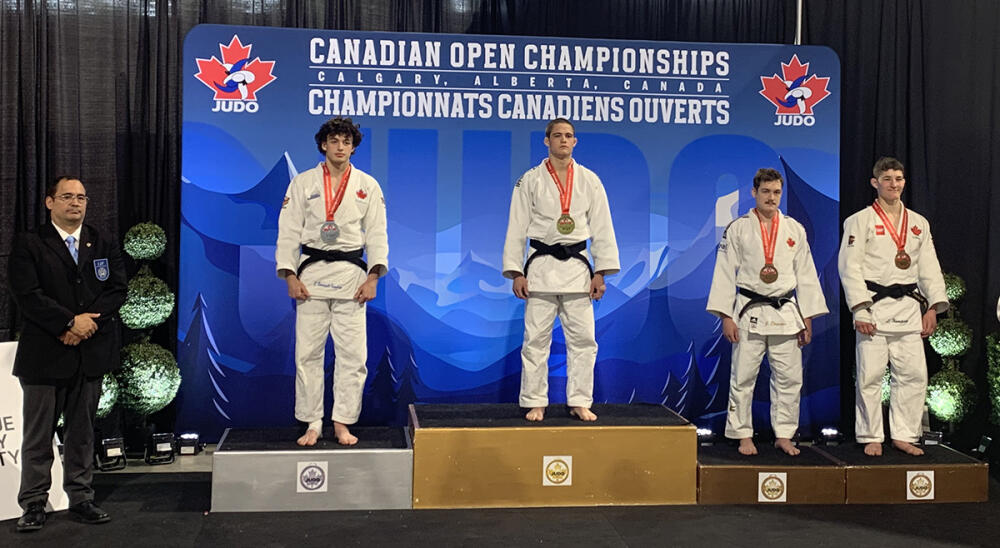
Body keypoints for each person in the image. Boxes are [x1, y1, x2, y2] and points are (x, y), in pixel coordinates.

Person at [8, 176, 127, 532]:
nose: (76, 203)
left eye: (81, 197)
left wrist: (87, 324)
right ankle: (33, 503)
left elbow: (117, 289)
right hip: (45, 354)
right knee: (38, 436)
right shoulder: (30, 243)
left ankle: (81, 498)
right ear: (50, 202)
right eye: (67, 197)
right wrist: (68, 322)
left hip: (89, 353)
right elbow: (26, 294)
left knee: (82, 433)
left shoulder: (102, 240)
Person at [276, 117, 388, 446]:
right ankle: (312, 421)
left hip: (352, 277)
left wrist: (373, 277)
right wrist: (290, 274)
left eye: (346, 142)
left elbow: (378, 234)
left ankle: (342, 422)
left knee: (353, 356)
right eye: (334, 141)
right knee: (308, 354)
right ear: (323, 144)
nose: (340, 147)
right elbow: (288, 231)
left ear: (353, 148)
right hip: (311, 276)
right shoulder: (303, 183)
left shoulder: (367, 184)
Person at [502, 118, 620, 422]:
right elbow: (516, 226)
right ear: (547, 141)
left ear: (575, 142)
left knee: (584, 341)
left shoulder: (590, 180)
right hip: (540, 268)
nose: (563, 140)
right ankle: (535, 401)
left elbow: (602, 227)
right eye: (557, 135)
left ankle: (580, 401)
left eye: (568, 135)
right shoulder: (529, 180)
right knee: (535, 341)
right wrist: (516, 271)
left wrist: (601, 272)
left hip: (578, 270)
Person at [707, 168, 828, 456]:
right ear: (754, 192)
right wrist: (726, 316)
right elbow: (724, 273)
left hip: (786, 312)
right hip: (749, 311)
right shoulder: (737, 228)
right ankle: (742, 435)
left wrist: (807, 318)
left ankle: (784, 434)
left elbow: (806, 275)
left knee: (789, 379)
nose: (771, 197)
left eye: (776, 192)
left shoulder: (794, 229)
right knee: (742, 378)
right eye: (765, 191)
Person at [838, 157, 948, 457]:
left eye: (898, 178)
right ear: (875, 183)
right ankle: (871, 435)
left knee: (913, 376)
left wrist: (932, 307)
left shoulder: (918, 223)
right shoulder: (859, 220)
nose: (893, 184)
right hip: (873, 307)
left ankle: (904, 434)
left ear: (904, 182)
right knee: (870, 376)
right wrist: (859, 308)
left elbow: (929, 268)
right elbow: (849, 267)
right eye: (887, 179)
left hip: (909, 308)